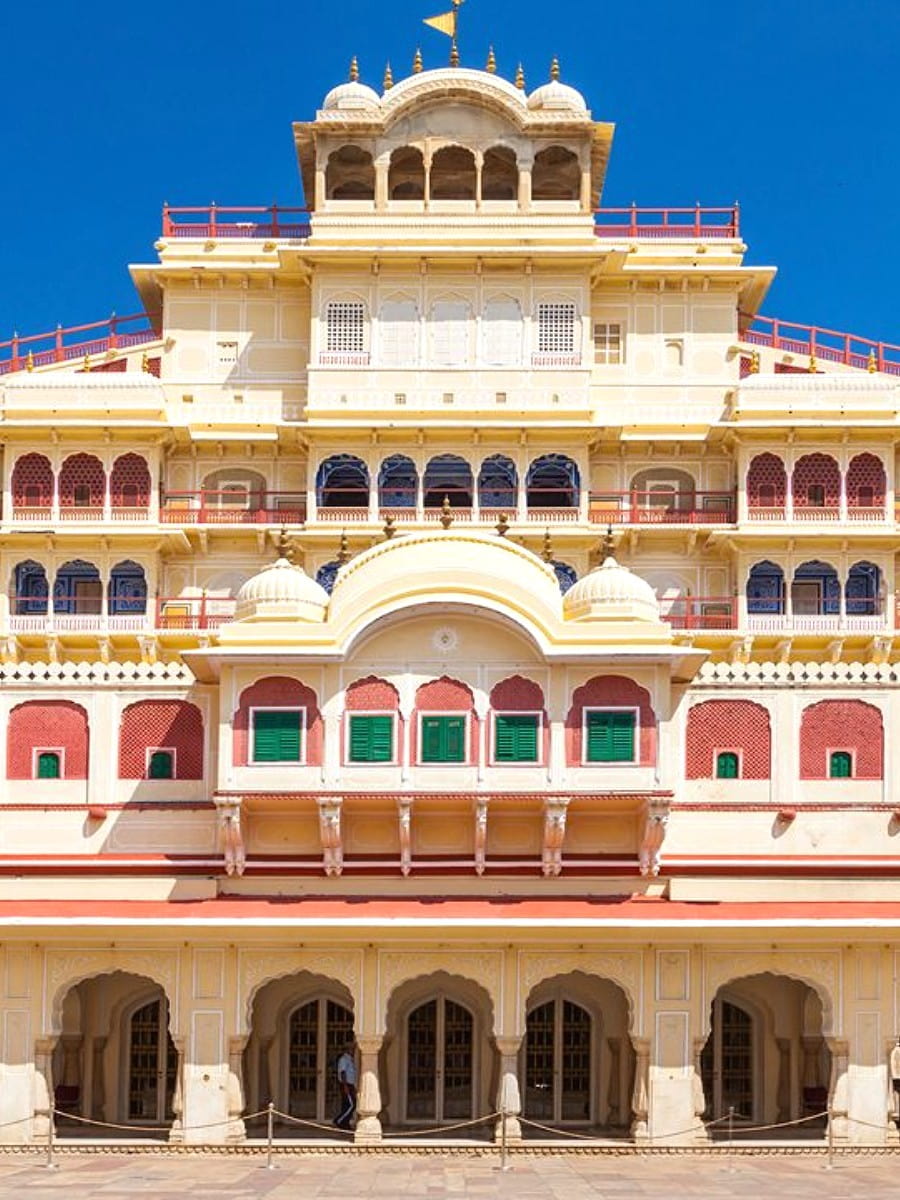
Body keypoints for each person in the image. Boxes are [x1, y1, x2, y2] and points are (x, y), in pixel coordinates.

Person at [334, 1039, 358, 1130]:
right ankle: (339, 1121)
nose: (353, 1051)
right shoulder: (344, 1059)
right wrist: (345, 1086)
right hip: (346, 1084)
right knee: (352, 1105)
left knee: (346, 1104)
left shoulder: (350, 1060)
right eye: (352, 1049)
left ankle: (345, 1123)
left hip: (350, 1084)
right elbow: (343, 1073)